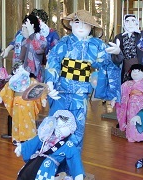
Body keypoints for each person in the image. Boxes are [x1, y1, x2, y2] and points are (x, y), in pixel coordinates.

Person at [45, 10, 120, 148]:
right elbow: (54, 60)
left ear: (92, 27)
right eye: (77, 22)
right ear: (71, 23)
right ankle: (53, 162)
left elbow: (108, 64)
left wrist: (117, 55)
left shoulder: (97, 45)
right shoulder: (64, 42)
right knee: (56, 126)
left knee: (77, 129)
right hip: (60, 91)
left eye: (86, 24)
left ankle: (73, 163)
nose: (81, 27)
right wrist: (50, 82)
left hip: (81, 93)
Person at [11, 110, 83, 180]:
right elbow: (34, 141)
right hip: (33, 162)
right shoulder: (46, 135)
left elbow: (75, 159)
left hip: (46, 169)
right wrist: (22, 147)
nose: (59, 128)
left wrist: (78, 175)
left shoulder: (68, 145)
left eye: (63, 126)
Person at [0, 62, 46, 144]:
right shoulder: (13, 81)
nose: (20, 71)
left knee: (29, 120)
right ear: (15, 71)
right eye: (18, 69)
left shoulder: (31, 80)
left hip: (28, 102)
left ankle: (30, 138)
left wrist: (43, 98)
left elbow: (39, 88)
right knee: (16, 120)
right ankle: (17, 139)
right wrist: (0, 96)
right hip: (17, 102)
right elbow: (7, 88)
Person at [116, 64, 143, 143]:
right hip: (131, 105)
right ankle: (132, 136)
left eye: (138, 71)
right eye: (133, 71)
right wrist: (115, 99)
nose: (135, 73)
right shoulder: (127, 84)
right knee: (131, 119)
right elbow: (120, 92)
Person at [111, 14, 143, 83]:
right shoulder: (119, 37)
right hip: (125, 68)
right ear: (124, 23)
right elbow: (115, 59)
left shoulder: (142, 36)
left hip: (140, 68)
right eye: (127, 21)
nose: (130, 24)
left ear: (136, 22)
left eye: (133, 21)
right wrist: (117, 53)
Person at [17, 13, 47, 82]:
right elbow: (20, 58)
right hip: (24, 74)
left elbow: (39, 50)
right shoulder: (24, 41)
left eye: (25, 27)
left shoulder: (41, 38)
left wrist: (31, 33)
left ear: (33, 27)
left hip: (37, 74)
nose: (23, 30)